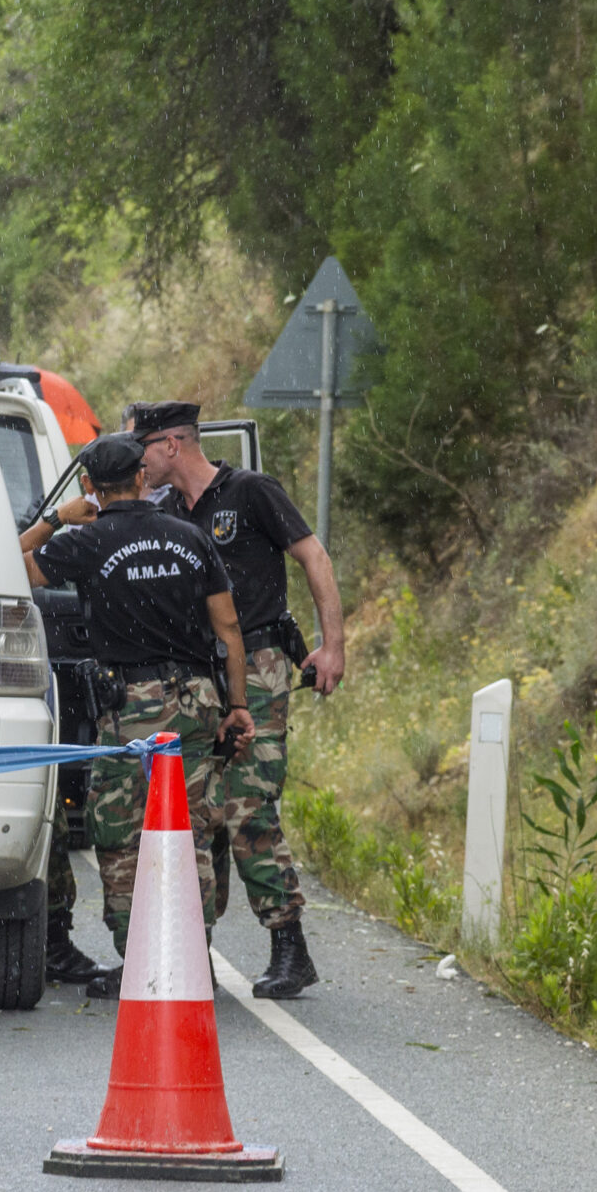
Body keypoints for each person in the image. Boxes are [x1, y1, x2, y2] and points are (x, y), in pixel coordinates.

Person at [20, 431, 254, 999]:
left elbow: (9, 562)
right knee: (190, 830)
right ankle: (193, 960)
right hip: (196, 701)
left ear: (90, 486)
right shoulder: (190, 537)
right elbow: (227, 627)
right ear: (143, 478)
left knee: (125, 835)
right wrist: (239, 705)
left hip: (131, 708)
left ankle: (142, 963)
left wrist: (58, 517)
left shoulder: (89, 540)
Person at [134, 399, 345, 999]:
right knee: (198, 809)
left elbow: (314, 556)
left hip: (259, 664)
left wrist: (334, 647)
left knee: (248, 803)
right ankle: (193, 946)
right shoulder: (168, 511)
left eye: (144, 447)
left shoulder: (250, 492)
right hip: (199, 675)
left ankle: (289, 945)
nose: (138, 461)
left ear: (172, 444)